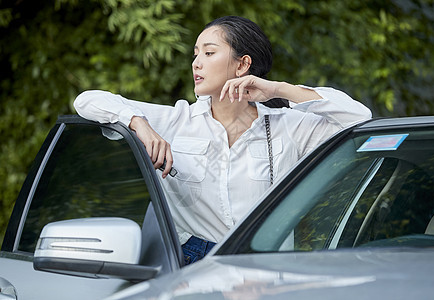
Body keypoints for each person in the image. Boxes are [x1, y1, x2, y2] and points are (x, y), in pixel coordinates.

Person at [74, 16, 372, 265]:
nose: (196, 64)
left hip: (265, 267)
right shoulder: (177, 120)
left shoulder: (288, 127)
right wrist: (138, 123)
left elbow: (357, 117)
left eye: (209, 52)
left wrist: (279, 89)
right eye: (195, 54)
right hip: (189, 266)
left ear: (242, 65)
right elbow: (87, 101)